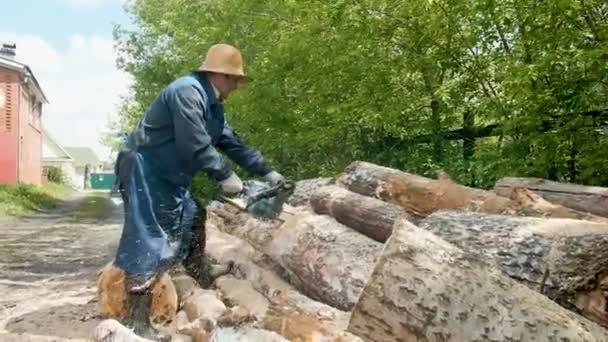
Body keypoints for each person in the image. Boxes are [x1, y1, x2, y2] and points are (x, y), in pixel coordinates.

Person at [111, 43, 284, 338]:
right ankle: (135, 322)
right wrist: (226, 176)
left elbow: (232, 143)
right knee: (148, 239)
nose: (236, 87)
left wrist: (268, 171)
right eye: (235, 80)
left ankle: (198, 271)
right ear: (222, 75)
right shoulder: (187, 92)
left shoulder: (213, 106)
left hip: (168, 175)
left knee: (194, 215)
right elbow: (194, 142)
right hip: (145, 168)